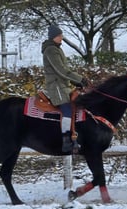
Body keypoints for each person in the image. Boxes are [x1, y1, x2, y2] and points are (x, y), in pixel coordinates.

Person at [41, 24, 89, 153]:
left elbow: (65, 72)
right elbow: (61, 70)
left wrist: (76, 82)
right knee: (67, 109)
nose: (62, 37)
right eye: (60, 35)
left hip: (62, 85)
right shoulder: (51, 50)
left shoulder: (56, 48)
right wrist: (80, 79)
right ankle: (66, 139)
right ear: (54, 37)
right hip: (56, 86)